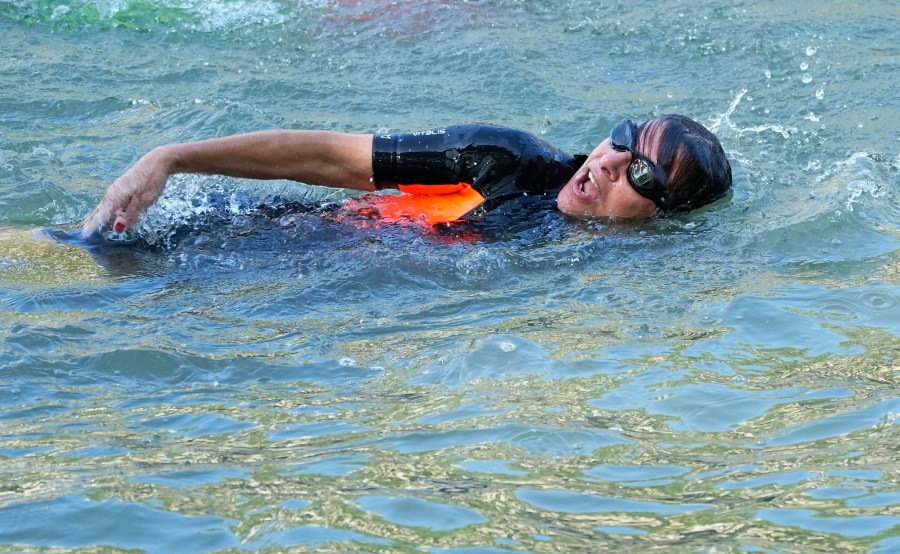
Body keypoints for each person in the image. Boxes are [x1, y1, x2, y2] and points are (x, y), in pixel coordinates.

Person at [77, 115, 732, 239]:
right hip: (258, 241)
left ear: (660, 216)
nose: (608, 163)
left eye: (640, 172)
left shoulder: (614, 278)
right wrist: (172, 156)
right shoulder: (501, 160)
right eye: (622, 139)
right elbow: (334, 157)